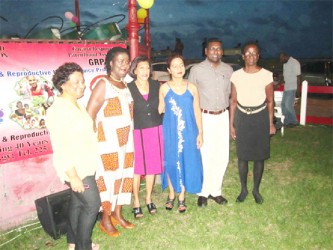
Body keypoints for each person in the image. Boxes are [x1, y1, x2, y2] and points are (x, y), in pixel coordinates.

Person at [46, 62, 100, 250]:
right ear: (63, 84)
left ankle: (72, 243)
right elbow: (61, 147)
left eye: (82, 81)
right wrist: (73, 176)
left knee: (78, 204)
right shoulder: (58, 110)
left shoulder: (77, 105)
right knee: (92, 205)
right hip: (76, 169)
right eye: (76, 82)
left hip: (86, 163)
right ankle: (83, 246)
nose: (82, 85)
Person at [86, 47, 134, 238]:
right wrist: (91, 142)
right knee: (107, 180)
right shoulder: (103, 84)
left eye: (127, 61)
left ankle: (118, 214)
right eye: (120, 61)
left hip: (126, 142)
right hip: (108, 144)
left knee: (124, 176)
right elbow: (90, 114)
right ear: (111, 63)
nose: (125, 64)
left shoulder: (124, 84)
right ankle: (105, 220)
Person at [229, 42, 276, 204]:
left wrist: (270, 123)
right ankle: (243, 189)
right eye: (247, 53)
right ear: (243, 56)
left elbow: (270, 101)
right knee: (242, 156)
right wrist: (231, 124)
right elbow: (233, 101)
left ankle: (256, 189)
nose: (251, 56)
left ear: (258, 56)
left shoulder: (266, 75)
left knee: (259, 157)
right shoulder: (236, 75)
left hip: (260, 117)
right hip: (242, 117)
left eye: (254, 53)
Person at [188, 37, 233, 207]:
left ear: (222, 51)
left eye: (219, 49)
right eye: (212, 49)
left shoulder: (228, 70)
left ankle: (216, 191)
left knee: (222, 155)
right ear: (206, 51)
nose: (216, 52)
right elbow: (191, 95)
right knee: (205, 155)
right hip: (204, 116)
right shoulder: (197, 70)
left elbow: (229, 94)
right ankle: (203, 192)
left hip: (222, 115)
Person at [159, 53, 203, 213]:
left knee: (186, 160)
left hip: (189, 131)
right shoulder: (163, 88)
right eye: (175, 66)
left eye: (181, 65)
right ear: (169, 69)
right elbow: (159, 109)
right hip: (170, 131)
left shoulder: (192, 87)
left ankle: (182, 196)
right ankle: (171, 193)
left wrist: (200, 133)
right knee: (171, 160)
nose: (179, 68)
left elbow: (197, 111)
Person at [127, 56, 164, 218]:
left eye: (147, 68)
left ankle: (148, 199)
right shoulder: (127, 88)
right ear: (134, 70)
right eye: (141, 68)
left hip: (156, 130)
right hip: (138, 132)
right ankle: (136, 201)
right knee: (138, 169)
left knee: (152, 167)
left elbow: (163, 107)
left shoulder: (157, 85)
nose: (145, 71)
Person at [279, 52, 301, 127]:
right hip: (286, 87)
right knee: (283, 105)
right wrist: (279, 83)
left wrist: (298, 89)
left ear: (285, 56)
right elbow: (285, 76)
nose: (281, 61)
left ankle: (294, 121)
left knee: (288, 105)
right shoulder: (285, 63)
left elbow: (298, 77)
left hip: (293, 87)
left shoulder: (295, 62)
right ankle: (286, 121)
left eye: (282, 59)